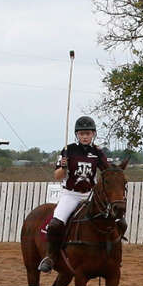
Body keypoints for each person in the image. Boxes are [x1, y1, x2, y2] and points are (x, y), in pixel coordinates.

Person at [37, 115, 111, 273]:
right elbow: (57, 176)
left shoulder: (97, 152)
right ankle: (50, 256)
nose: (85, 136)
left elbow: (108, 171)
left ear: (93, 134)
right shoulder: (68, 150)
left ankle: (109, 253)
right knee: (56, 224)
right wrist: (62, 168)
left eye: (88, 133)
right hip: (71, 195)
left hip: (90, 195)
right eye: (82, 133)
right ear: (77, 135)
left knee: (112, 219)